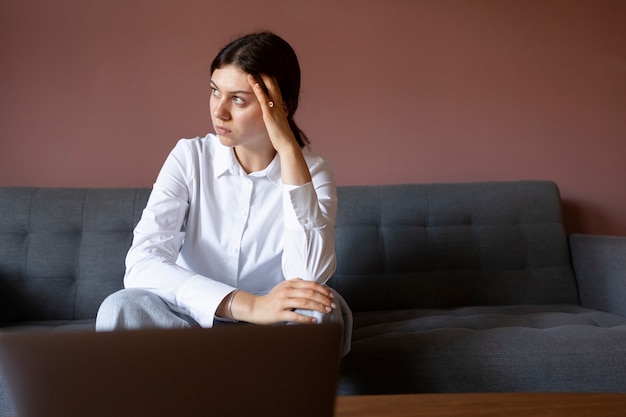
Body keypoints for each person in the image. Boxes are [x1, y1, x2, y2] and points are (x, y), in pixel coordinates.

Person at [95, 31, 351, 355]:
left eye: (238, 99)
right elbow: (142, 264)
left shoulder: (313, 171)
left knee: (320, 310)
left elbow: (310, 273)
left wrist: (288, 148)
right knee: (121, 307)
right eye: (215, 92)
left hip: (273, 332)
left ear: (279, 107)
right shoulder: (189, 157)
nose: (219, 111)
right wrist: (247, 305)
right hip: (192, 323)